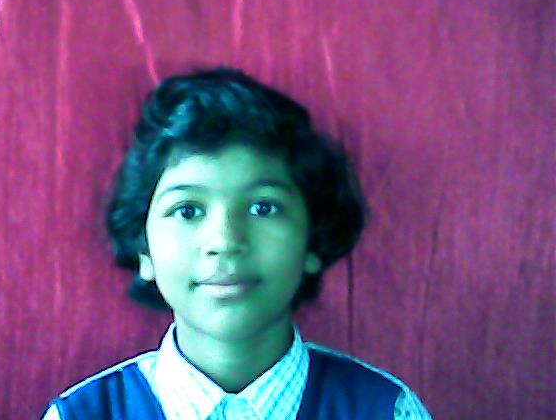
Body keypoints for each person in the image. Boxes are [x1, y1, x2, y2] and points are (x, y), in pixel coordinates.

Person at [40, 67, 432, 419]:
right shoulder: (80, 416)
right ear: (144, 249)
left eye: (263, 208)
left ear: (314, 239)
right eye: (188, 210)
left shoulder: (388, 412)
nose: (224, 241)